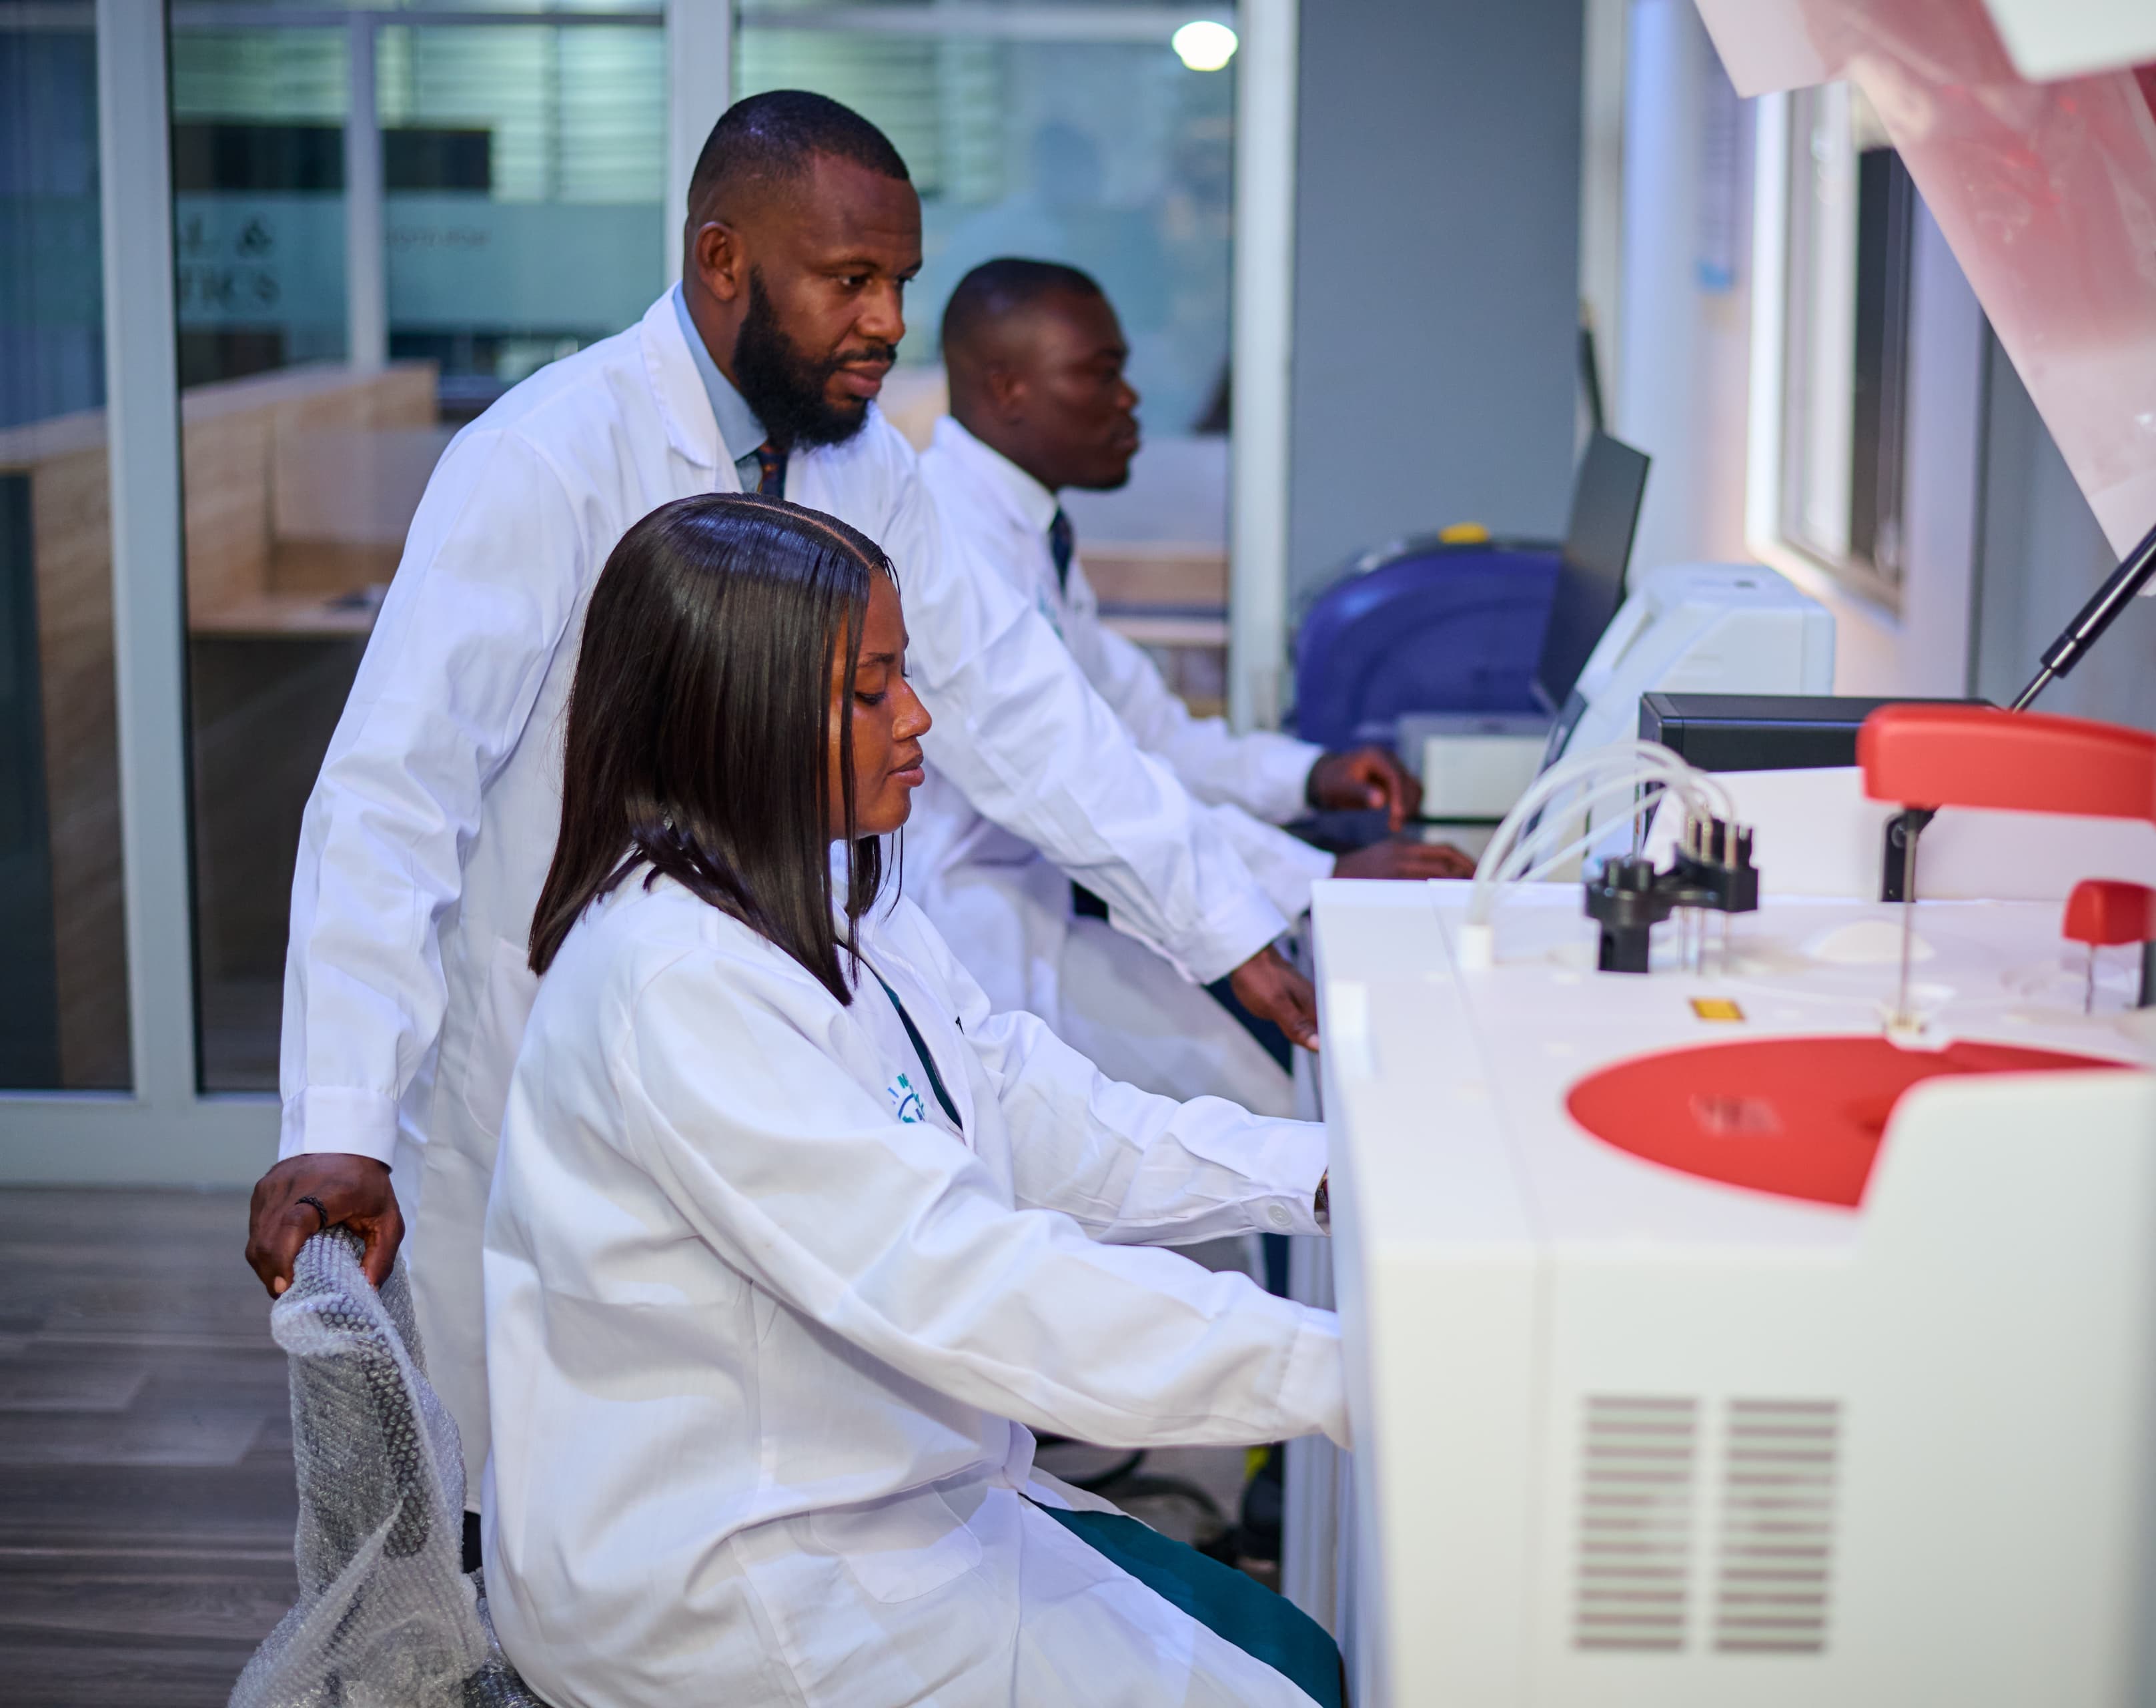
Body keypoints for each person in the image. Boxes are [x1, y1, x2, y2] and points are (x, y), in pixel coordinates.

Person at [243, 92, 1328, 1541]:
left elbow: (1020, 710)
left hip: (768, 1025)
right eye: (849, 280)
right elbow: (396, 790)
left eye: (902, 282)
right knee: (514, 1489)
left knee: (744, 1445)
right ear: (722, 261)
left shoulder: (863, 459)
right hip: (540, 1038)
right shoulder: (550, 455)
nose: (888, 323)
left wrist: (1226, 929)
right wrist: (339, 1117)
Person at [483, 493, 1345, 1707]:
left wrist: (1317, 1175)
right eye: (870, 690)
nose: (918, 716)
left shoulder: (827, 889)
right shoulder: (677, 983)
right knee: (1293, 1687)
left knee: (1299, 1662)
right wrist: (1340, 1372)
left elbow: (1026, 1105)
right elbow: (965, 1280)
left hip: (883, 1498)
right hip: (738, 1582)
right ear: (743, 713)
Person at [917, 258, 1473, 1114]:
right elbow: (1084, 772)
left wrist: (1310, 777)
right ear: (1008, 388)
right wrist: (1314, 874)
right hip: (973, 939)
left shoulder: (1028, 529)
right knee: (1274, 1104)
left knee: (1279, 1094)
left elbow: (1150, 732)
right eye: (1099, 373)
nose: (1130, 399)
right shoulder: (952, 539)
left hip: (1044, 906)